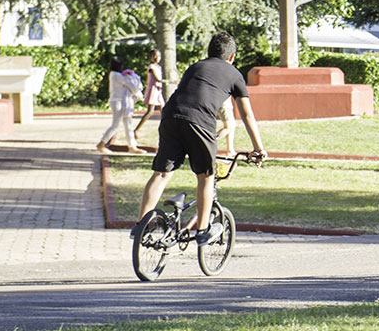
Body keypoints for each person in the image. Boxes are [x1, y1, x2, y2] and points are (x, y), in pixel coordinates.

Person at [138, 32, 267, 244]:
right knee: (206, 176)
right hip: (199, 121)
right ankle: (203, 229)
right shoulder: (235, 74)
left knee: (161, 174)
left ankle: (141, 227)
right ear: (232, 56)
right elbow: (247, 115)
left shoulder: (196, 66)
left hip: (170, 117)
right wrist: (259, 148)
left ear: (209, 52)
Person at [97, 56, 144, 154]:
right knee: (115, 125)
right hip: (118, 102)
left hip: (125, 102)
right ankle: (101, 144)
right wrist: (133, 77)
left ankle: (132, 146)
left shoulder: (117, 75)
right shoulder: (116, 75)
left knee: (128, 125)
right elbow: (133, 87)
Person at [133, 49, 166, 139]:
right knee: (150, 112)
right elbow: (158, 79)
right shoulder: (151, 67)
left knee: (164, 111)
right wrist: (170, 81)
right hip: (153, 90)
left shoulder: (158, 67)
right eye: (157, 56)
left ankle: (167, 130)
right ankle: (136, 130)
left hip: (158, 91)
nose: (158, 58)